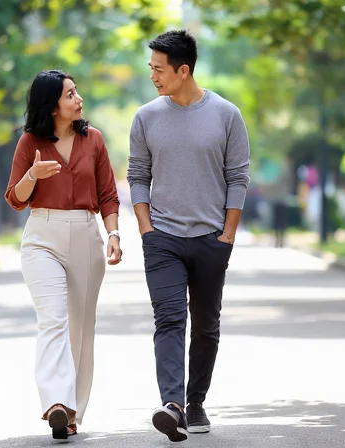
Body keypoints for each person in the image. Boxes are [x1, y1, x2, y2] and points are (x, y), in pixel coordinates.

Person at [127, 29, 250, 442]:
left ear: (183, 70)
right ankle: (173, 406)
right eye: (151, 68)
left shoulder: (226, 115)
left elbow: (238, 178)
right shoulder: (146, 117)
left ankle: (195, 401)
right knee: (169, 319)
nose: (153, 77)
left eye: (159, 70)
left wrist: (227, 234)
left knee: (206, 325)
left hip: (211, 238)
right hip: (162, 238)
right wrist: (146, 229)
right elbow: (137, 175)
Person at [4, 69, 123, 440]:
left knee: (80, 329)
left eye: (76, 91)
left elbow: (107, 194)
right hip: (42, 236)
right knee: (53, 319)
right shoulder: (30, 142)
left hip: (86, 234)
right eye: (70, 94)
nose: (78, 99)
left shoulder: (94, 140)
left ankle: (72, 413)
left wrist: (113, 233)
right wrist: (33, 175)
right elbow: (15, 198)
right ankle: (55, 401)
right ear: (51, 105)